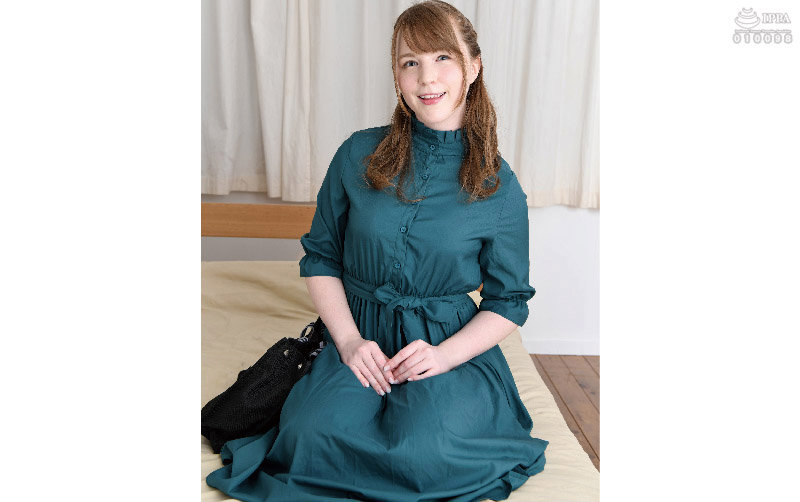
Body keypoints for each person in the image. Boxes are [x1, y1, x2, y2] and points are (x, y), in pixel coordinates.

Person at [206, 1, 548, 500]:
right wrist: (347, 341)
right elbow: (321, 257)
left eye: (443, 58)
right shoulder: (357, 153)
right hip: (357, 333)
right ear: (397, 75)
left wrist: (444, 356)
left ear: (474, 67)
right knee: (312, 436)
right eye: (411, 62)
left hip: (442, 343)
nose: (426, 78)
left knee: (428, 451)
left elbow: (509, 301)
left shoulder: (497, 185)